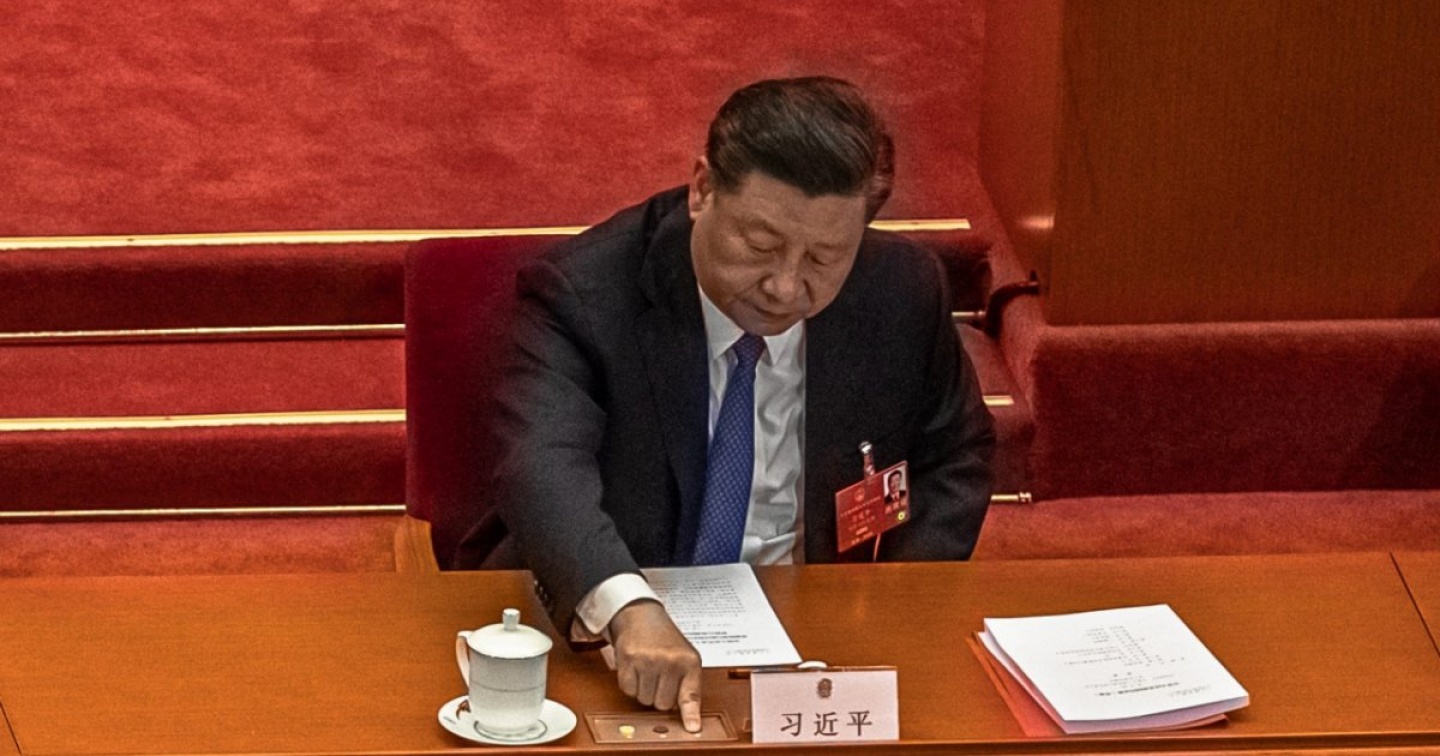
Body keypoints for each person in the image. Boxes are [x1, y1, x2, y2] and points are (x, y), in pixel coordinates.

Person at [454, 76, 995, 732]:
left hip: (814, 629)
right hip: (620, 626)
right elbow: (540, 466)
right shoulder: (585, 294)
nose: (785, 286)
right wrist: (628, 608)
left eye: (824, 258)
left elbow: (956, 453)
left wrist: (890, 603)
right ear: (702, 188)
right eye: (761, 246)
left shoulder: (901, 290)